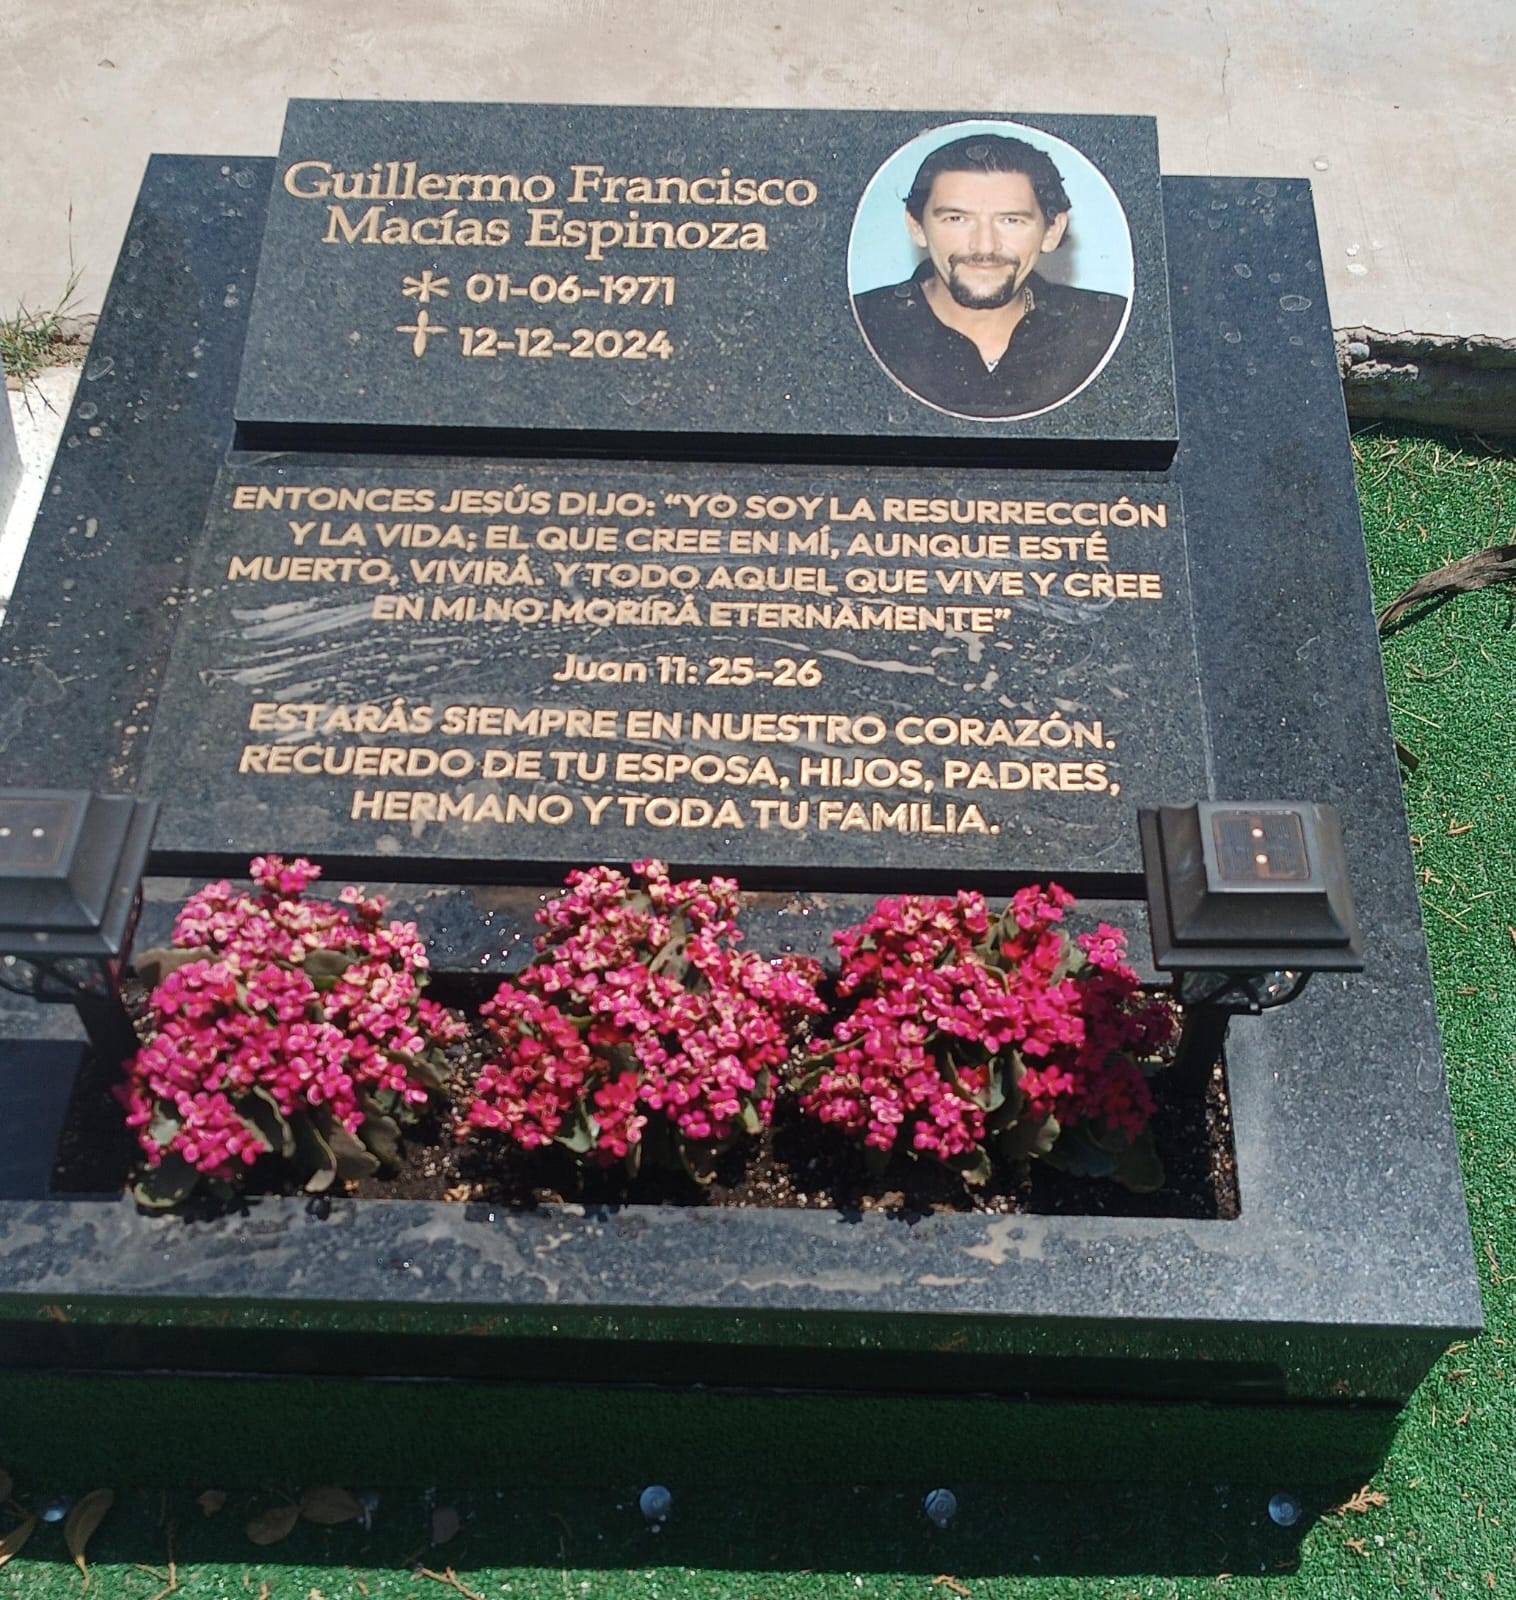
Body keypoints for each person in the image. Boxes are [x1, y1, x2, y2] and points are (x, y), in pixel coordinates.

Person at [853, 134, 1127, 418]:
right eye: (956, 219)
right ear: (917, 227)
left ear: (1052, 231)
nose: (984, 246)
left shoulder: (1107, 326)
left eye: (1011, 220)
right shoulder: (859, 323)